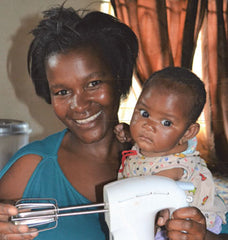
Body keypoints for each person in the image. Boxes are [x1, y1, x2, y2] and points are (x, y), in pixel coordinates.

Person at [0, 5, 227, 240]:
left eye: (94, 84)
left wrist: (205, 236)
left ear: (119, 80)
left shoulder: (174, 163)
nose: (79, 104)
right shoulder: (30, 169)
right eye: (62, 92)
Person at [115, 67, 226, 236]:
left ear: (188, 133)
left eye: (166, 123)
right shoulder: (158, 143)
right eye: (144, 113)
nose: (148, 126)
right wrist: (129, 132)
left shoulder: (176, 166)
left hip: (186, 227)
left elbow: (154, 189)